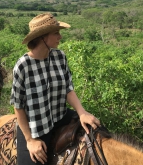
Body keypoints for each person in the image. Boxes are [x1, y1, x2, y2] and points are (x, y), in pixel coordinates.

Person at [10, 13, 100, 165]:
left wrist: (82, 112)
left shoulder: (60, 57)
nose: (60, 37)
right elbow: (18, 106)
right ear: (43, 37)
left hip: (60, 116)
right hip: (36, 126)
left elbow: (68, 89)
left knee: (97, 127)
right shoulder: (23, 66)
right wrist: (30, 140)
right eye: (56, 33)